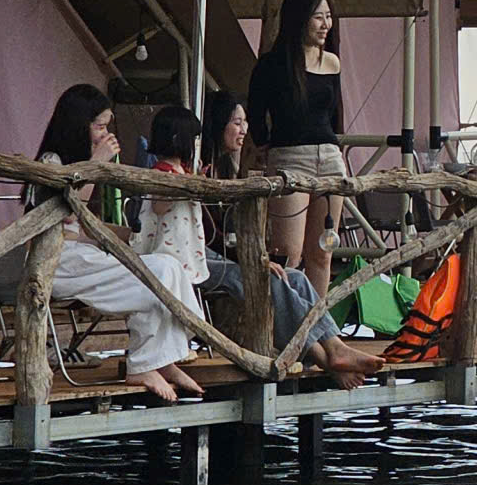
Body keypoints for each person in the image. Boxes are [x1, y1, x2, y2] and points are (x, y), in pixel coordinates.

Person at [154, 98, 384, 385]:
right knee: (270, 280)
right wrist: (191, 185)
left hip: (212, 255)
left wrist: (257, 258)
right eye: (236, 122)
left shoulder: (220, 168)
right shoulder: (167, 175)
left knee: (296, 278)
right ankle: (327, 358)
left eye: (245, 122)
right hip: (189, 263)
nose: (243, 129)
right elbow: (169, 212)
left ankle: (333, 345)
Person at [32, 84, 206, 402]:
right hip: (56, 263)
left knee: (165, 265)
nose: (104, 133)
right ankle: (144, 364)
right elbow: (67, 212)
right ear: (77, 124)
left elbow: (83, 225)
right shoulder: (51, 161)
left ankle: (162, 361)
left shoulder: (77, 162)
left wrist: (126, 235)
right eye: (99, 125)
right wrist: (96, 164)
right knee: (156, 276)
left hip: (78, 254)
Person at [248, 0, 346, 294]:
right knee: (288, 252)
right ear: (299, 19)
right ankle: (285, 325)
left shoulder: (332, 62)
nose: (325, 25)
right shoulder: (272, 64)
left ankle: (317, 328)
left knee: (322, 253)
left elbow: (334, 114)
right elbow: (255, 111)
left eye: (328, 16)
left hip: (330, 157)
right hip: (291, 158)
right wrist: (264, 143)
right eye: (318, 17)